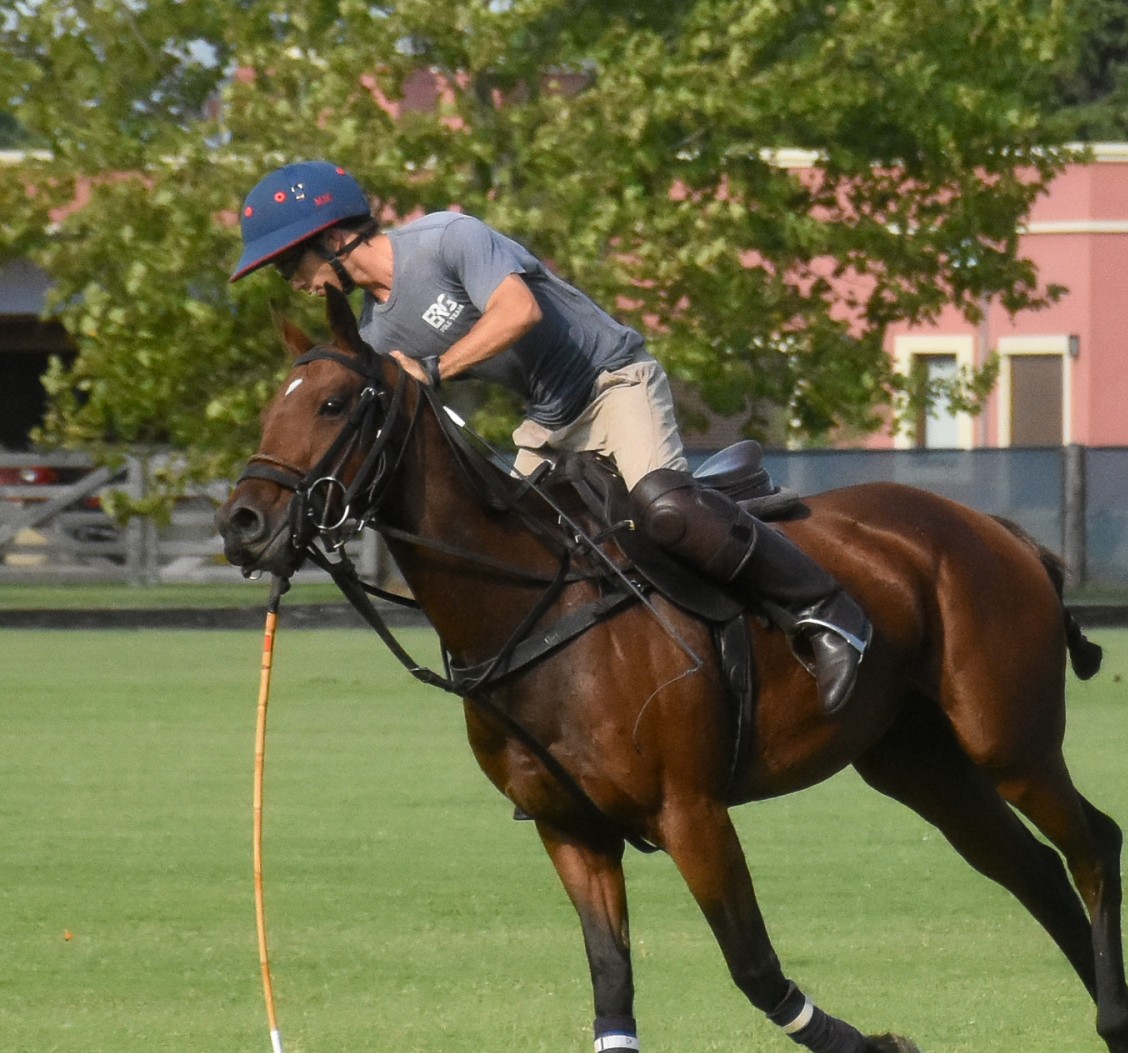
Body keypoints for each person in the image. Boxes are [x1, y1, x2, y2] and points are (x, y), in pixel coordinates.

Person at [231, 160, 871, 714]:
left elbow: (519, 311)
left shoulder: (449, 238)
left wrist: (433, 369)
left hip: (613, 381)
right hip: (548, 420)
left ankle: (828, 612)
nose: (290, 279)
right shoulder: (374, 335)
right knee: (515, 557)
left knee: (667, 509)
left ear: (336, 237)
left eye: (291, 260)